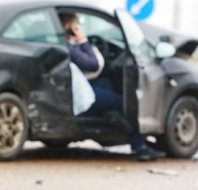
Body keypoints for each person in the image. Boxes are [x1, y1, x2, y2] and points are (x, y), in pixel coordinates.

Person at [59, 13, 165, 161]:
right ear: (67, 27)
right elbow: (92, 64)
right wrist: (83, 40)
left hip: (76, 87)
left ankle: (110, 116)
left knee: (106, 83)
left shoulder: (61, 43)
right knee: (124, 103)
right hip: (76, 93)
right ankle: (139, 145)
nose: (78, 28)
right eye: (75, 26)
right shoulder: (66, 46)